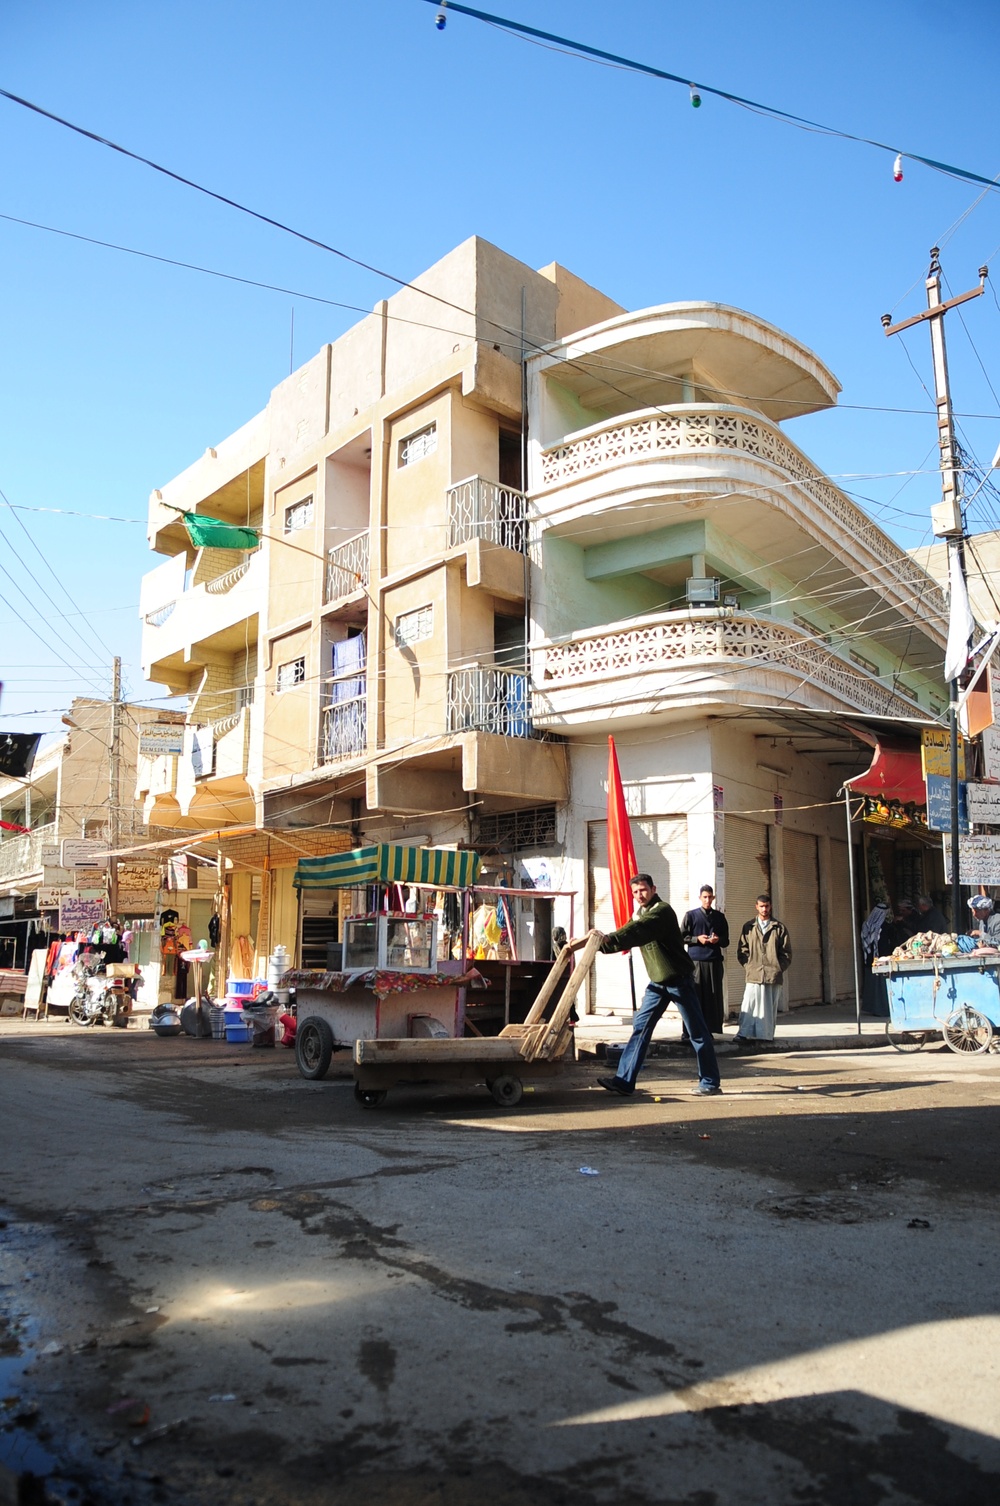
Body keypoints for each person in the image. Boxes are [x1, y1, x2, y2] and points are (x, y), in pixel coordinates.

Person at [570, 873, 722, 1097]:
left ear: (653, 889)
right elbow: (626, 935)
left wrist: (606, 939)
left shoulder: (661, 911)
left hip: (679, 980)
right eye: (634, 892)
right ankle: (623, 1081)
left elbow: (634, 933)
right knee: (640, 1028)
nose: (638, 895)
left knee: (697, 1032)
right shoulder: (640, 914)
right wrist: (596, 944)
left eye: (642, 890)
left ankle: (709, 1082)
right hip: (658, 983)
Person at [736, 895, 792, 1042]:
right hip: (754, 974)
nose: (764, 909)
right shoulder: (749, 927)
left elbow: (786, 953)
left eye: (766, 906)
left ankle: (765, 1036)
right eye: (761, 906)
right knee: (749, 1003)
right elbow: (742, 950)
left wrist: (778, 968)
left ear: (770, 906)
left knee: (768, 1008)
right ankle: (743, 1034)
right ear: (756, 907)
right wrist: (749, 966)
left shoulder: (779, 928)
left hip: (772, 975)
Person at [681, 885, 730, 1035]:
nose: (708, 900)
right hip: (695, 963)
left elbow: (726, 941)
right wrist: (697, 939)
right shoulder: (691, 915)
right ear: (700, 898)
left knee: (712, 998)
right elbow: (681, 937)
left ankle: (709, 1030)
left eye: (710, 897)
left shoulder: (719, 917)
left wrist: (717, 940)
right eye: (705, 897)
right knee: (694, 996)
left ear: (713, 898)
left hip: (714, 962)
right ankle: (689, 1032)